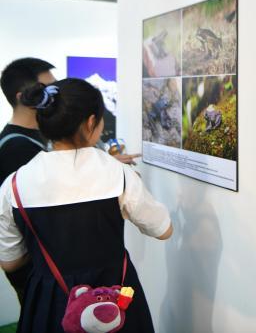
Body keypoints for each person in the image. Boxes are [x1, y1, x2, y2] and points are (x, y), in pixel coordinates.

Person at [0, 79, 172, 333]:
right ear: (91, 122)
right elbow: (163, 230)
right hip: (115, 297)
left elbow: (10, 262)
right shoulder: (118, 174)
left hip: (50, 302)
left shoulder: (13, 185)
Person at [0, 57, 56, 305]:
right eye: (47, 89)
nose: (56, 95)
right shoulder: (16, 149)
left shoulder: (36, 137)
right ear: (24, 97)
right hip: (35, 271)